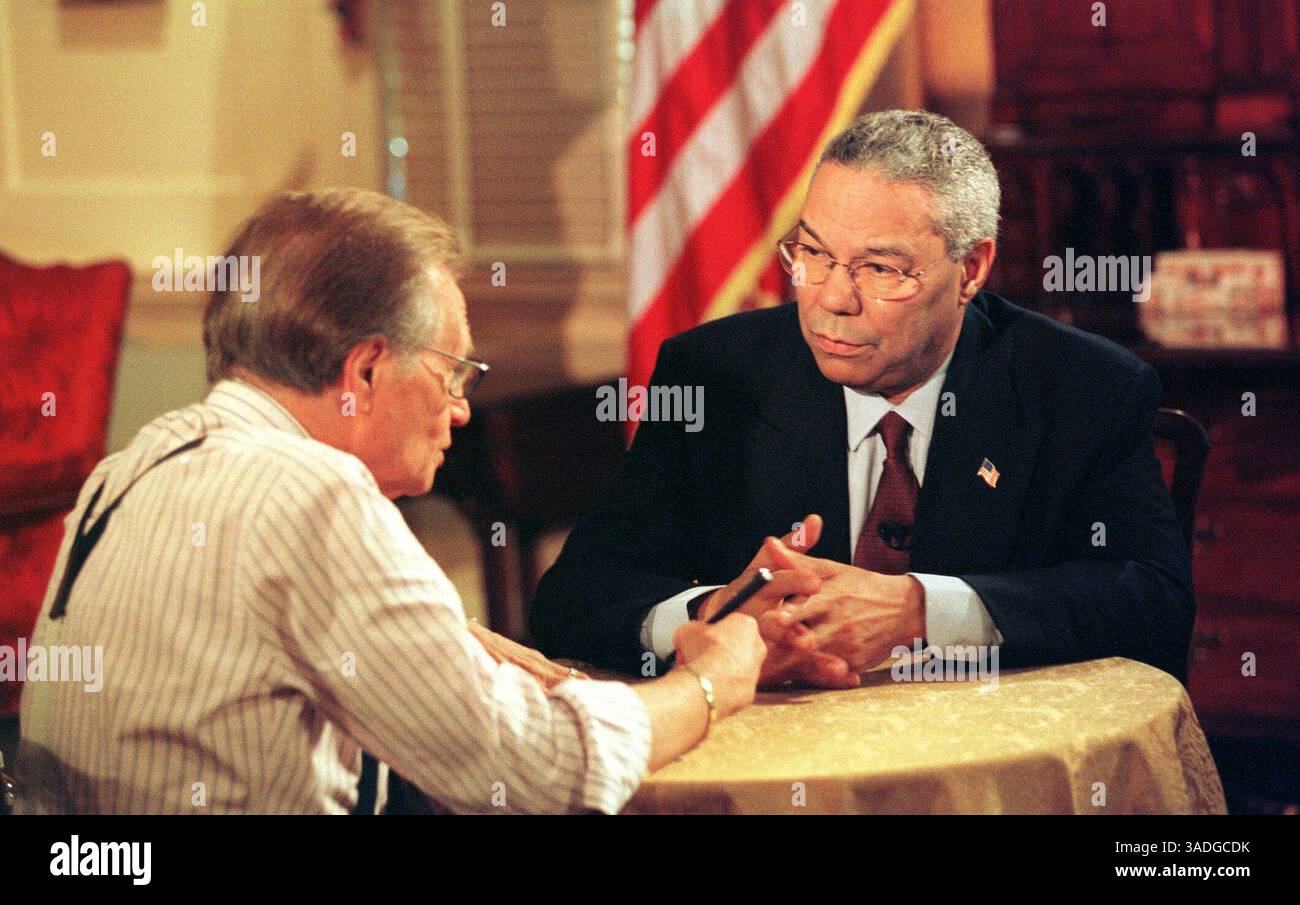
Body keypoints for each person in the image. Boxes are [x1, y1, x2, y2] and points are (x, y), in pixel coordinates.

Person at [15, 188, 766, 814]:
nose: (461, 409)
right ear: (367, 371)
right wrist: (710, 681)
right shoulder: (313, 494)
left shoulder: (133, 466)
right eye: (453, 372)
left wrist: (446, 644)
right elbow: (541, 770)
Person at [531, 110, 1194, 687]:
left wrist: (920, 611)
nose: (832, 298)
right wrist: (712, 618)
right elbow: (573, 596)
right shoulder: (712, 377)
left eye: (880, 268)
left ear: (970, 269)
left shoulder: (1082, 386)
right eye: (813, 254)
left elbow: (1152, 601)